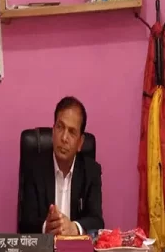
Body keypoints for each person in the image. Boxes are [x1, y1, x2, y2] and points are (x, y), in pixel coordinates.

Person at [18, 96, 104, 237]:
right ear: (53, 131)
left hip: (76, 250)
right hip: (44, 250)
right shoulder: (34, 169)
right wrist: (47, 226)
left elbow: (97, 221)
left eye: (72, 132)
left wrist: (74, 227)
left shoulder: (91, 171)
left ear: (80, 142)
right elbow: (25, 222)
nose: (64, 138)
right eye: (60, 127)